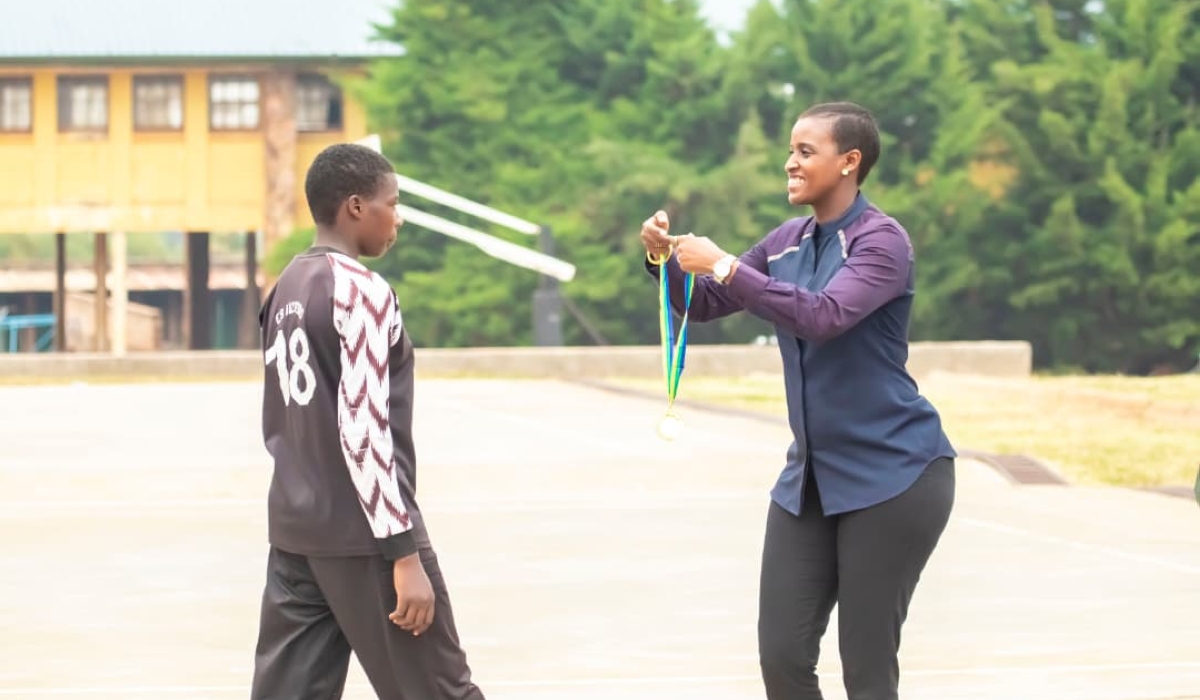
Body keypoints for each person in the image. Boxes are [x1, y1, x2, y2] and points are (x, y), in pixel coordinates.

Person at [640, 101, 956, 700]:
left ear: (849, 162)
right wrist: (663, 259)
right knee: (781, 655)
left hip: (895, 476)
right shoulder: (787, 241)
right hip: (809, 479)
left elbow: (825, 316)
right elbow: (702, 303)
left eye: (805, 152)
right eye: (790, 149)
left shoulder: (882, 242)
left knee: (865, 665)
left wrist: (727, 263)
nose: (789, 162)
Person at [250, 143, 486, 700]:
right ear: (356, 207)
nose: (397, 216)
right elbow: (362, 428)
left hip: (295, 534)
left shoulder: (284, 286)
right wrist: (403, 554)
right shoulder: (359, 290)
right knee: (442, 693)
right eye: (392, 202)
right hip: (366, 538)